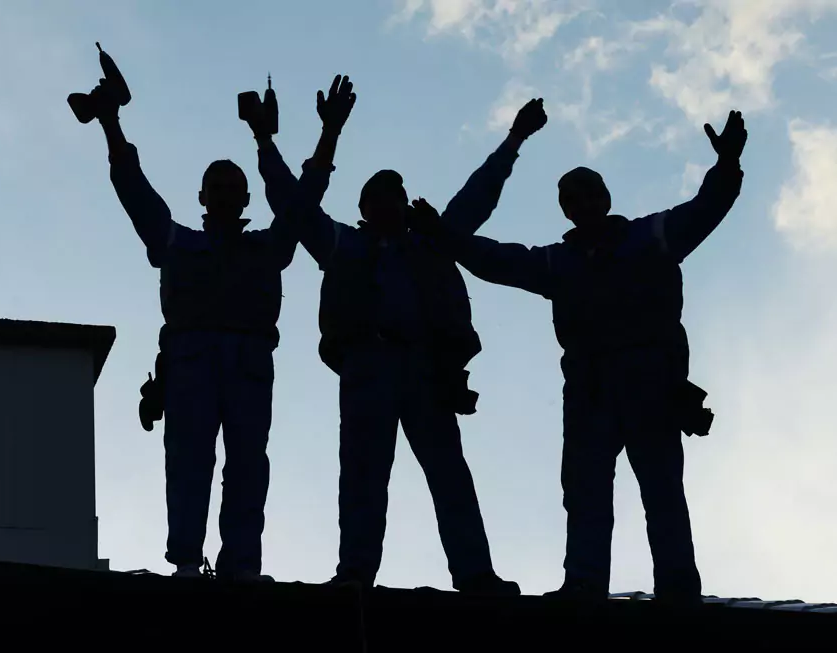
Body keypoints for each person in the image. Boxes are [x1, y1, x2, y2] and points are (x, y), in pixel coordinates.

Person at [408, 110, 748, 604]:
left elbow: (708, 206)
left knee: (661, 489)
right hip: (589, 389)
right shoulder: (557, 262)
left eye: (591, 193)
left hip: (650, 379)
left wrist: (728, 164)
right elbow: (496, 260)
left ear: (605, 199)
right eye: (574, 198)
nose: (584, 203)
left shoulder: (651, 236)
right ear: (566, 209)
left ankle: (676, 587)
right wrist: (445, 236)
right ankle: (584, 583)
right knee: (586, 492)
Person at [247, 74, 548, 592]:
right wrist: (280, 139)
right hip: (368, 365)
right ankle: (356, 572)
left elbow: (477, 198)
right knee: (363, 475)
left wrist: (514, 140)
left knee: (449, 473)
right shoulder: (342, 244)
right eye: (380, 196)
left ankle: (475, 573)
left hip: (428, 367)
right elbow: (292, 204)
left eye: (399, 195)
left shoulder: (430, 243)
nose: (392, 203)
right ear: (363, 209)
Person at [88, 73, 300, 583]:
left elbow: (298, 207)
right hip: (190, 364)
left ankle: (242, 563)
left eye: (234, 188)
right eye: (218, 188)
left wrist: (266, 140)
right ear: (202, 196)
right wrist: (111, 124)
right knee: (188, 465)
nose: (226, 196)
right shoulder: (176, 243)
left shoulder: (267, 249)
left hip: (248, 363)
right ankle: (186, 558)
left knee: (248, 465)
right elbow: (133, 190)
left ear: (246, 199)